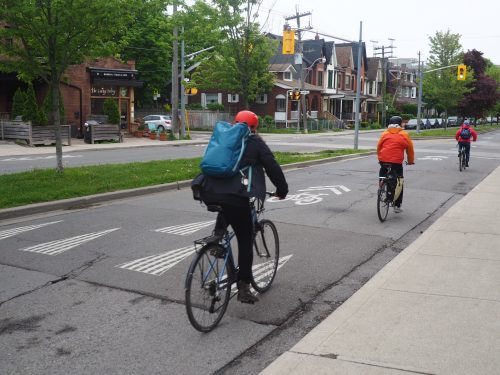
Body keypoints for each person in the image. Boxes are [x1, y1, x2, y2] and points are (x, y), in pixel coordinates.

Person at [201, 110, 288, 304]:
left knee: (225, 207)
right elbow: (272, 167)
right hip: (236, 196)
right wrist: (282, 189)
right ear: (255, 127)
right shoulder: (255, 142)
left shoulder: (223, 137)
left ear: (235, 122)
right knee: (245, 239)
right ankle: (243, 287)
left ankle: (218, 238)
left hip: (207, 191)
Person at [377, 116, 415, 213]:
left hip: (383, 160)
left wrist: (380, 158)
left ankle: (381, 187)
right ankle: (397, 206)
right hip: (397, 162)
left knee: (383, 172)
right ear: (400, 123)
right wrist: (410, 161)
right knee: (399, 181)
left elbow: (379, 146)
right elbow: (410, 150)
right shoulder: (404, 134)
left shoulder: (384, 133)